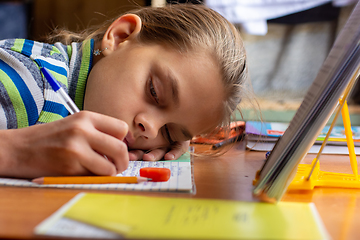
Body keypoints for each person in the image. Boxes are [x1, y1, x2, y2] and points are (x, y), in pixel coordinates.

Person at [0, 4, 248, 179]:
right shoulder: (30, 83)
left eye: (169, 131)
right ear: (120, 36)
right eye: (154, 92)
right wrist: (15, 152)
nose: (150, 129)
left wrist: (179, 132)